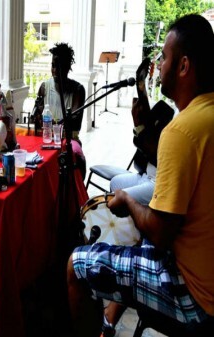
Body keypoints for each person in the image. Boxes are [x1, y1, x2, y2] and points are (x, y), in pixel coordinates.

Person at [67, 14, 214, 337]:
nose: (159, 64)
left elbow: (161, 232)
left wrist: (127, 204)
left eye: (164, 57)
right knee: (132, 243)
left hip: (195, 297)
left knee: (76, 265)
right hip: (204, 272)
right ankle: (107, 322)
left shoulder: (183, 130)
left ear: (184, 66)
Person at [110, 57, 175, 205]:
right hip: (146, 174)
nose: (158, 66)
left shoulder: (180, 116)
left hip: (157, 183)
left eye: (164, 59)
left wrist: (138, 126)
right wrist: (141, 86)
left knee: (117, 199)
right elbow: (149, 126)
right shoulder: (166, 108)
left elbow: (155, 153)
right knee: (115, 183)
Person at [32, 42, 85, 143]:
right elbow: (37, 118)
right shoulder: (44, 88)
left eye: (60, 66)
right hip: (46, 140)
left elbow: (74, 125)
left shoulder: (78, 90)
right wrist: (37, 118)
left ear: (68, 67)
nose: (55, 70)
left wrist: (50, 123)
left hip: (68, 142)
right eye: (53, 65)